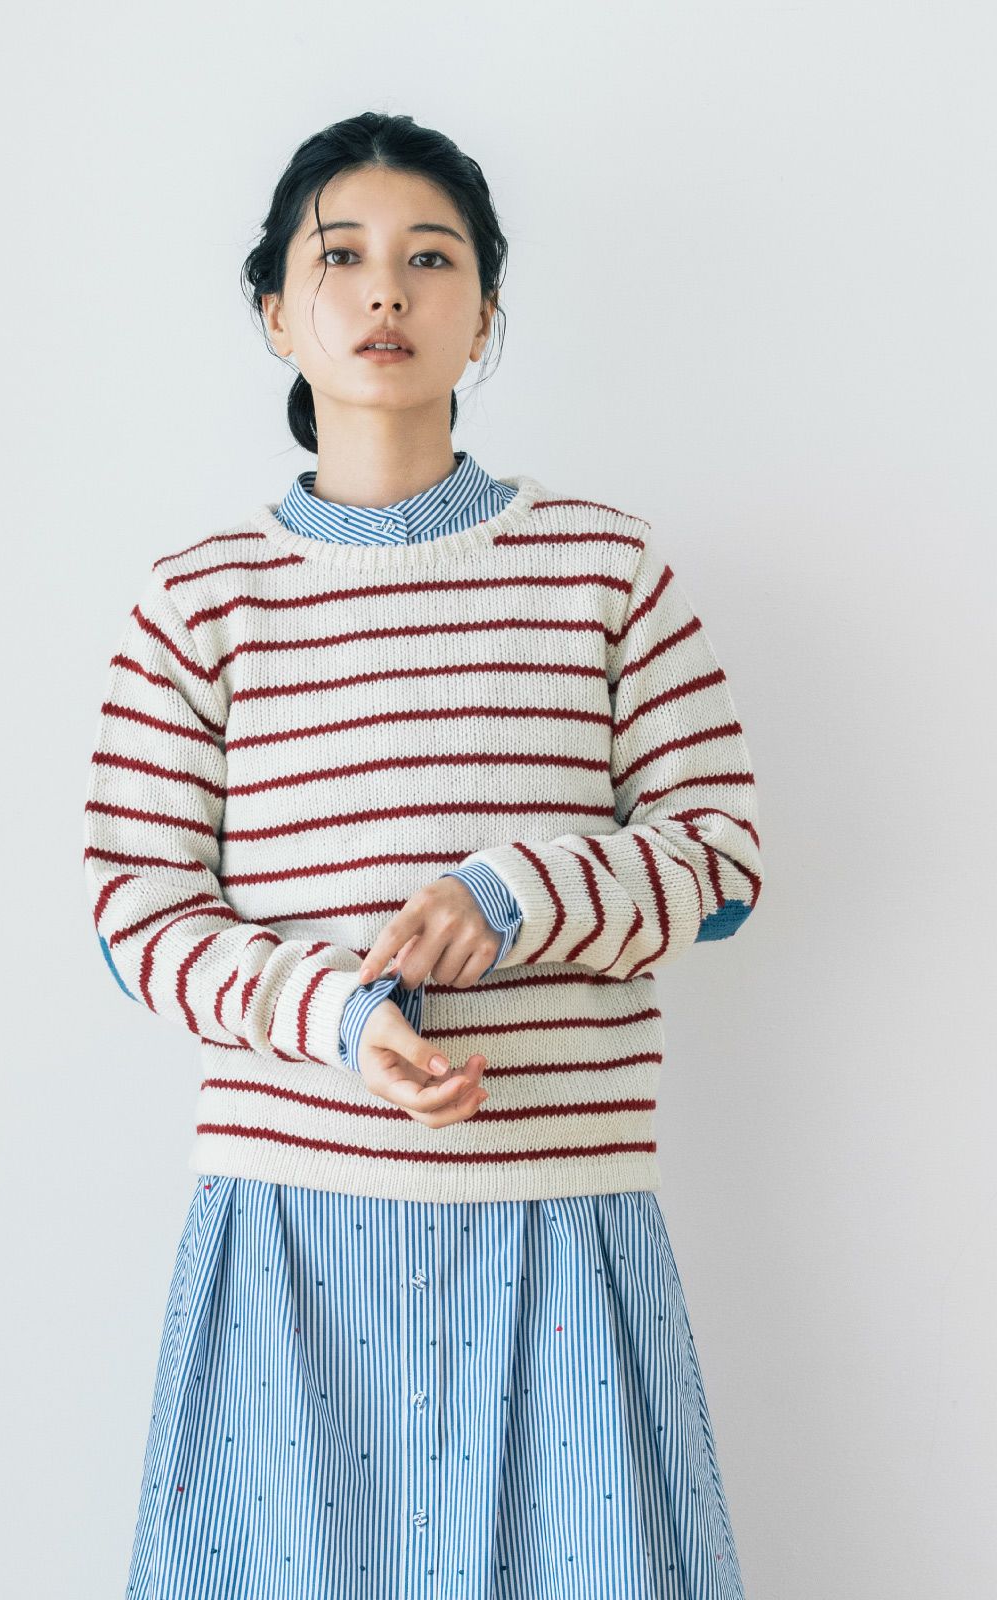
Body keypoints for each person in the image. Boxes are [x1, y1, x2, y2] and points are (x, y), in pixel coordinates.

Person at [82, 110, 764, 1600]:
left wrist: (516, 893)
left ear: (486, 313)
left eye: (432, 258)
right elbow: (134, 920)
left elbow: (719, 864)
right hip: (291, 1229)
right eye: (340, 257)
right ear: (276, 312)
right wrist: (340, 1015)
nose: (385, 289)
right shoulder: (197, 604)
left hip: (560, 1217)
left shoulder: (606, 567)